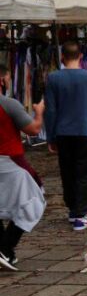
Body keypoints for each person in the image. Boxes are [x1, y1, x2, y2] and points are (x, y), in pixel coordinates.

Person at [45, 40, 87, 231]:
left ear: (62, 57)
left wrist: (50, 137)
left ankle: (73, 210)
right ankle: (80, 215)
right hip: (84, 131)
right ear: (81, 57)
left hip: (63, 133)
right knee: (84, 173)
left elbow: (51, 111)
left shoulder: (53, 78)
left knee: (67, 172)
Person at [0, 95, 45, 270]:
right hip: (11, 159)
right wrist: (39, 112)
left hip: (9, 160)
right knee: (35, 199)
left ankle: (6, 253)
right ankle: (5, 248)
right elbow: (33, 130)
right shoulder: (7, 104)